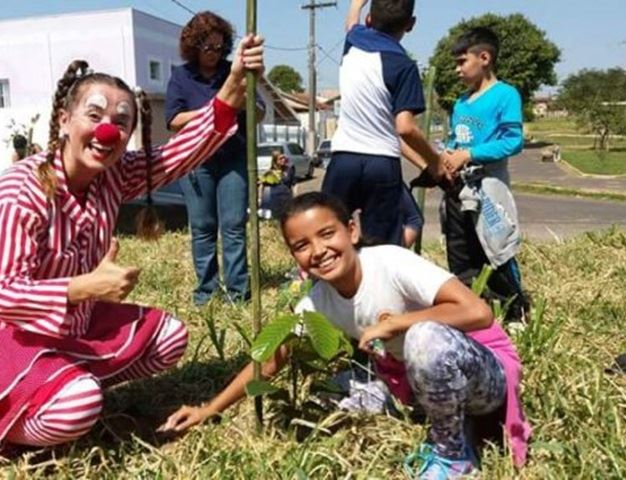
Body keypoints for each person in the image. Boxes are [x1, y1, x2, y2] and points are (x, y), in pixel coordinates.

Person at [0, 36, 265, 467]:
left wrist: (232, 87)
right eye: (95, 115)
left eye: (122, 122)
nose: (109, 130)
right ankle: (14, 420)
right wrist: (84, 287)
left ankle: (59, 384)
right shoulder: (21, 190)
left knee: (169, 338)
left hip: (66, 330)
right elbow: (2, 295)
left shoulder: (113, 175)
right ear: (65, 121)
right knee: (79, 406)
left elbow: (175, 156)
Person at [161, 192, 531, 479]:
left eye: (327, 234)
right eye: (302, 246)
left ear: (351, 230)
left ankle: (454, 456)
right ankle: (454, 421)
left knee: (423, 338)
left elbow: (479, 313)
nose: (318, 251)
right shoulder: (318, 302)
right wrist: (209, 408)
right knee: (330, 396)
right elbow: (272, 359)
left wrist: (399, 323)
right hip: (414, 382)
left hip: (485, 376)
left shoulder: (390, 262)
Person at [322, 0, 446, 245]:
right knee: (381, 245)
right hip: (381, 163)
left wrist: (356, 4)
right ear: (410, 25)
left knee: (328, 232)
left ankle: (322, 283)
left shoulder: (353, 42)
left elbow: (350, 23)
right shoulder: (405, 66)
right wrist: (436, 162)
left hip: (343, 159)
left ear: (369, 19)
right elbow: (405, 128)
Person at [166, 11, 265, 305]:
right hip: (197, 162)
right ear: (194, 45)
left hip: (233, 158)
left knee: (234, 225)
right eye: (208, 47)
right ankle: (206, 292)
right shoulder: (181, 76)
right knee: (202, 228)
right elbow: (173, 120)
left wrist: (248, 95)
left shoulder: (234, 72)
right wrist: (214, 110)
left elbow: (258, 114)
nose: (215, 53)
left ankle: (238, 291)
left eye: (220, 47)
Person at [439, 27, 529, 322]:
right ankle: (474, 310)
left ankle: (516, 312)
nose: (457, 69)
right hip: (457, 191)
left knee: (496, 249)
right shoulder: (460, 103)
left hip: (488, 188)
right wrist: (449, 156)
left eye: (462, 61)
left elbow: (512, 141)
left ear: (485, 58)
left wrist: (470, 154)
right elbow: (455, 140)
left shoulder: (505, 95)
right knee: (461, 250)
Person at [258, 150, 296, 219]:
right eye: (280, 158)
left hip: (287, 198)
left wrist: (295, 196)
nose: (283, 160)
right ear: (275, 160)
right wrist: (260, 198)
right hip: (275, 199)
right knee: (277, 218)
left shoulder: (289, 170)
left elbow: (294, 184)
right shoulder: (270, 172)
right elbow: (262, 185)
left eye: (284, 158)